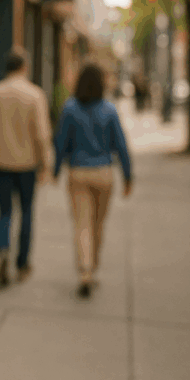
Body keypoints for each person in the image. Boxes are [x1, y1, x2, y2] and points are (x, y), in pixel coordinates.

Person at [53, 63, 132, 299]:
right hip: (104, 173)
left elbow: (60, 143)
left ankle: (85, 270)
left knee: (82, 225)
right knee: (98, 225)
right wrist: (128, 176)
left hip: (78, 173)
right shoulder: (109, 110)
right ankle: (93, 268)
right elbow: (121, 145)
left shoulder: (70, 108)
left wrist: (56, 169)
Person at [0, 47, 52, 288]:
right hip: (27, 165)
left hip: (1, 164)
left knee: (4, 212)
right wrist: (46, 164)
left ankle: (2, 250)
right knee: (27, 212)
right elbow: (42, 134)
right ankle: (22, 264)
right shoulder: (35, 95)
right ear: (24, 67)